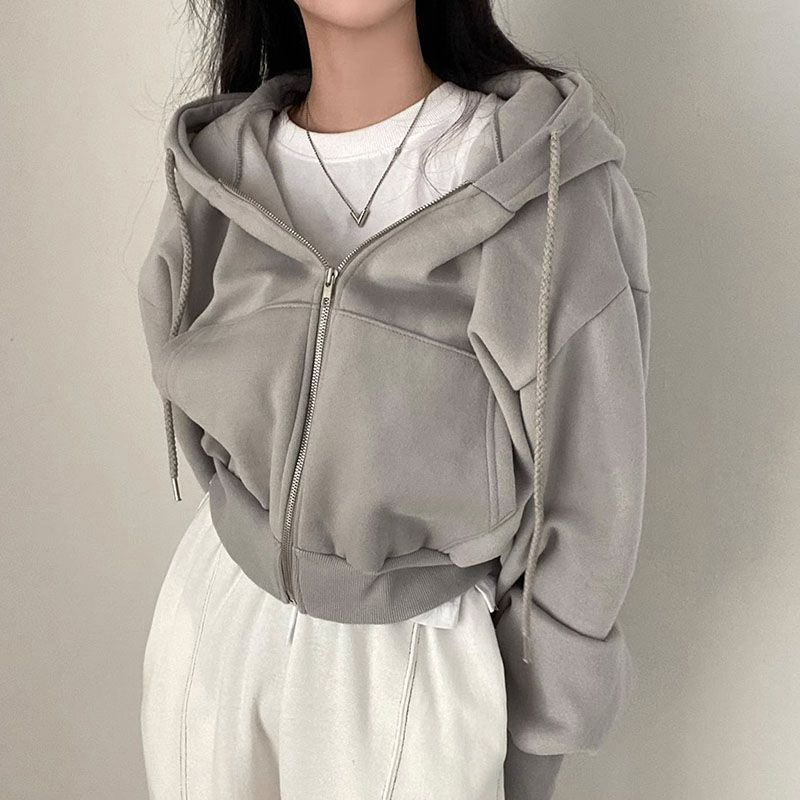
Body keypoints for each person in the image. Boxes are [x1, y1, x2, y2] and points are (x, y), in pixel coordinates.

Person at [136, 1, 651, 798]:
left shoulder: (543, 184)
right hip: (217, 621)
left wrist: (535, 739)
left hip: (413, 661)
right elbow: (197, 404)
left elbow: (587, 506)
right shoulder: (220, 168)